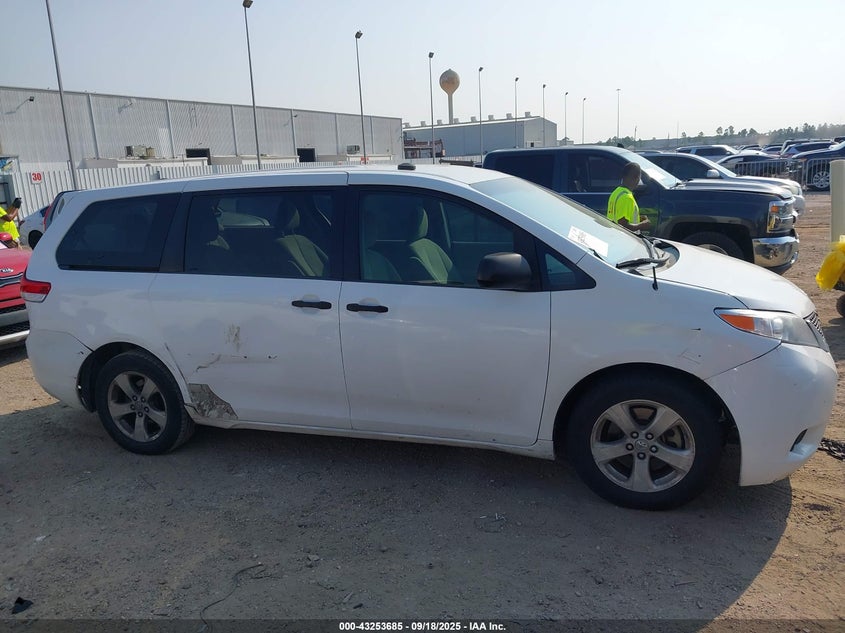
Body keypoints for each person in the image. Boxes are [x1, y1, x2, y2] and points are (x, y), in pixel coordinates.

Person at [607, 163, 651, 232]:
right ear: (637, 178)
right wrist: (642, 225)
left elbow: (618, 216)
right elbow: (623, 225)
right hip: (625, 240)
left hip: (614, 235)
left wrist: (637, 218)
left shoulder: (616, 192)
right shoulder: (627, 198)